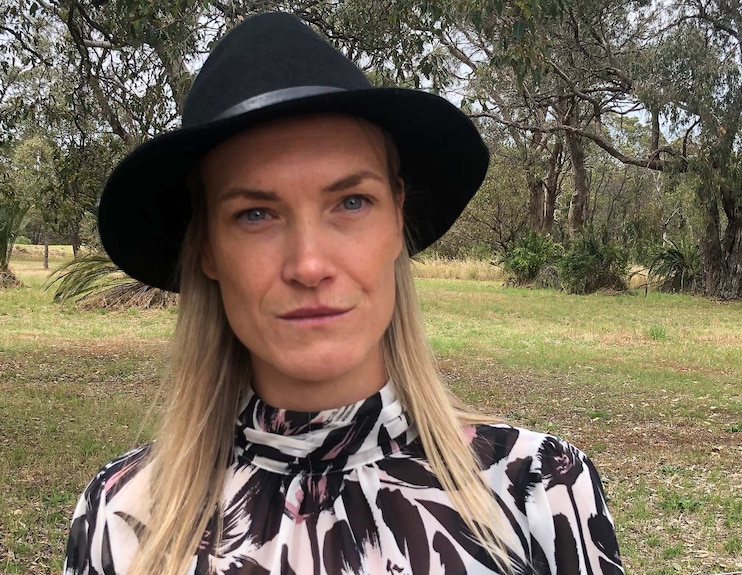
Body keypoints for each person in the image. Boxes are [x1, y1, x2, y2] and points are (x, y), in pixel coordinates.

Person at [63, 12, 624, 575]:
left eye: (351, 202)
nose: (309, 264)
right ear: (207, 246)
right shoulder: (122, 520)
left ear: (397, 216)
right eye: (255, 214)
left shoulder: (538, 490)